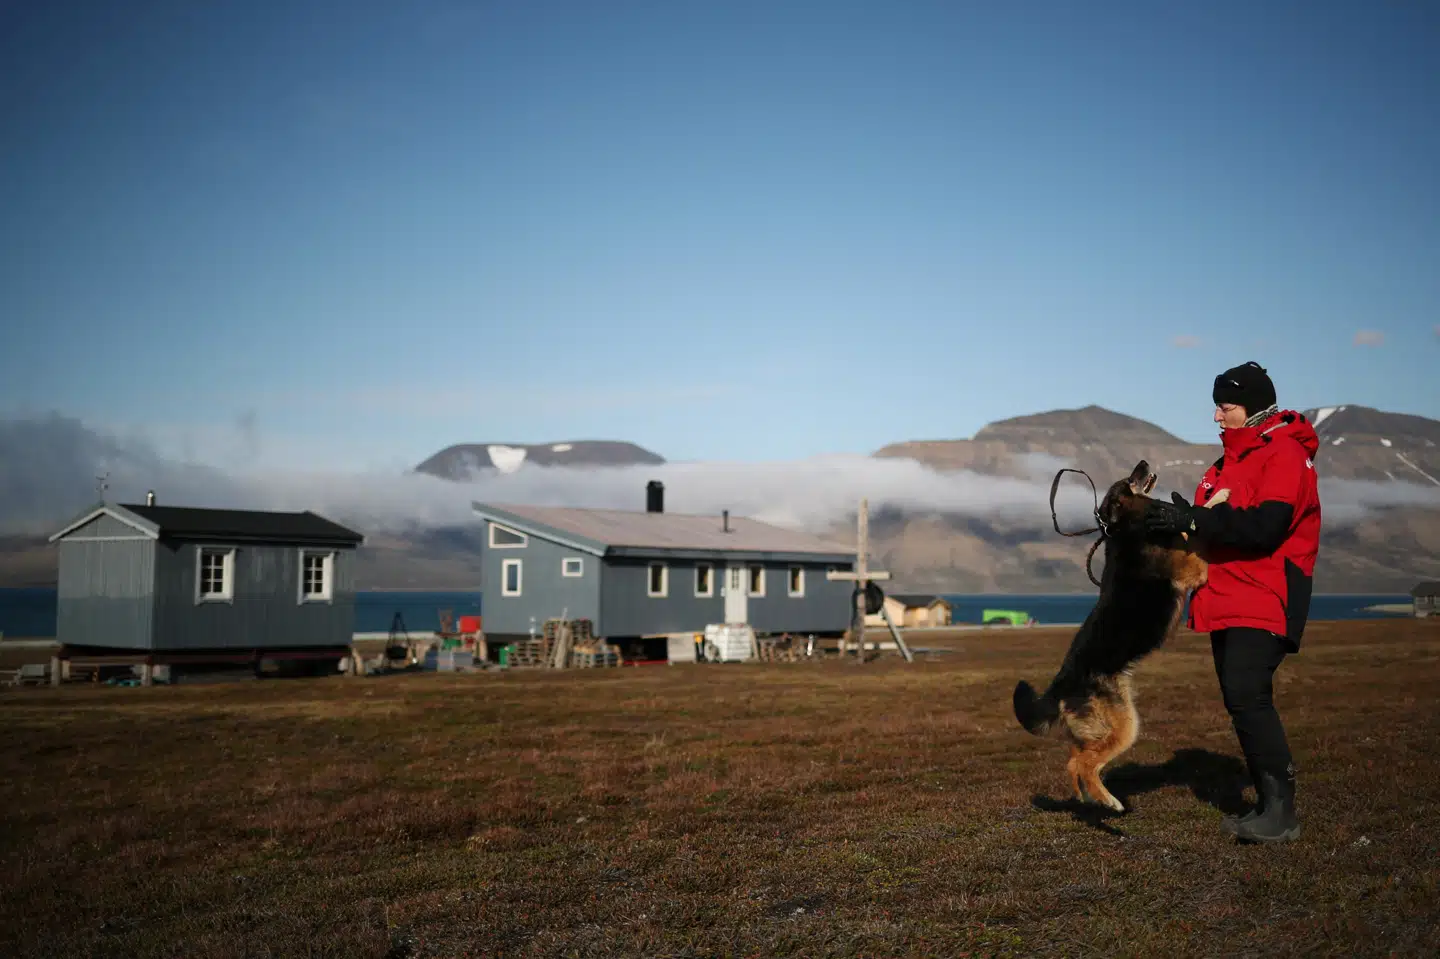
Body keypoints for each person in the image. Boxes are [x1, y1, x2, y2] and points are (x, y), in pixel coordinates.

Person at [1142, 361, 1321, 843]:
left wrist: (1198, 520)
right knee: (1240, 700)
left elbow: (1265, 529)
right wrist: (1166, 522)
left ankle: (1281, 814)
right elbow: (1208, 531)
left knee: (1248, 695)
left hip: (1266, 593)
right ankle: (1268, 807)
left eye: (1227, 407)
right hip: (1226, 596)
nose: (1218, 417)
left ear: (1257, 405)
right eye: (1217, 407)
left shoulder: (1284, 454)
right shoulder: (1222, 466)